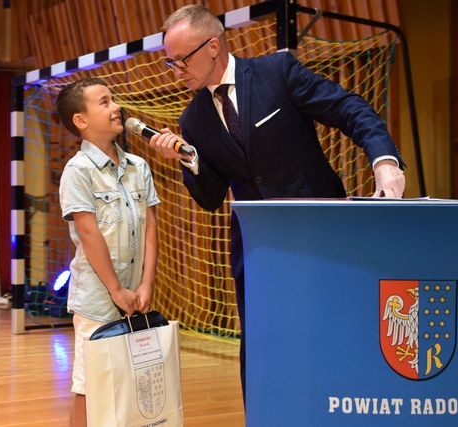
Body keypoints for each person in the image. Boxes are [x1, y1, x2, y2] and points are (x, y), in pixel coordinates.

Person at [149, 4, 405, 400]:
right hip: (256, 250)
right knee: (262, 345)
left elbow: (348, 109)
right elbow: (211, 198)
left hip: (321, 235)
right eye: (171, 62)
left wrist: (385, 163)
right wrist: (189, 160)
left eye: (182, 59)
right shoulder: (193, 119)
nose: (176, 70)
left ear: (213, 46)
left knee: (334, 332)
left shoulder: (276, 72)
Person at [56, 77, 160, 427]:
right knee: (90, 387)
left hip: (136, 299)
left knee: (129, 385)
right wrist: (116, 290)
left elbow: (151, 228)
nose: (116, 107)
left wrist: (146, 284)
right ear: (81, 120)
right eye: (104, 102)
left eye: (113, 100)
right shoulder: (77, 171)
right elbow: (90, 235)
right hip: (98, 302)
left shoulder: (139, 167)